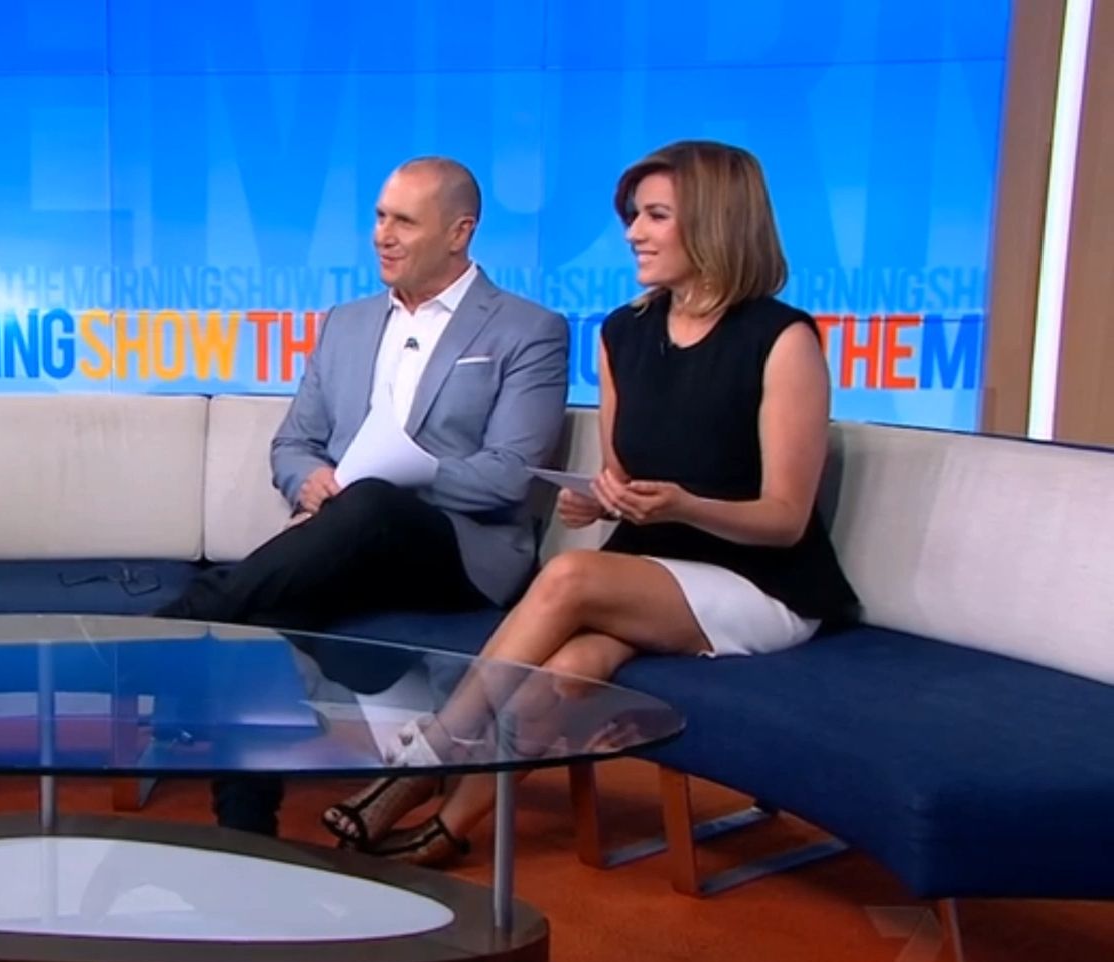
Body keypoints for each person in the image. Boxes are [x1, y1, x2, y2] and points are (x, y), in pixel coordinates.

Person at [326, 139, 862, 867]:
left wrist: (683, 506)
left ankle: (433, 751)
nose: (634, 232)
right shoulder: (623, 333)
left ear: (716, 221)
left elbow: (785, 519)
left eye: (655, 215)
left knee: (573, 577)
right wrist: (600, 502)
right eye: (633, 215)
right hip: (651, 574)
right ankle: (448, 829)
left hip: (762, 582)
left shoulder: (782, 339)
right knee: (568, 669)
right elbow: (624, 478)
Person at [152, 155, 571, 835]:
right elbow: (294, 443)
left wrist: (402, 474)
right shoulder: (345, 323)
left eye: (404, 221)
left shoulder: (528, 329)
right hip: (350, 539)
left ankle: (166, 631)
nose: (382, 235)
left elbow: (509, 476)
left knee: (373, 502)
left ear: (459, 232)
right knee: (254, 621)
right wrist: (309, 480)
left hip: (457, 552)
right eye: (379, 217)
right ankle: (243, 829)